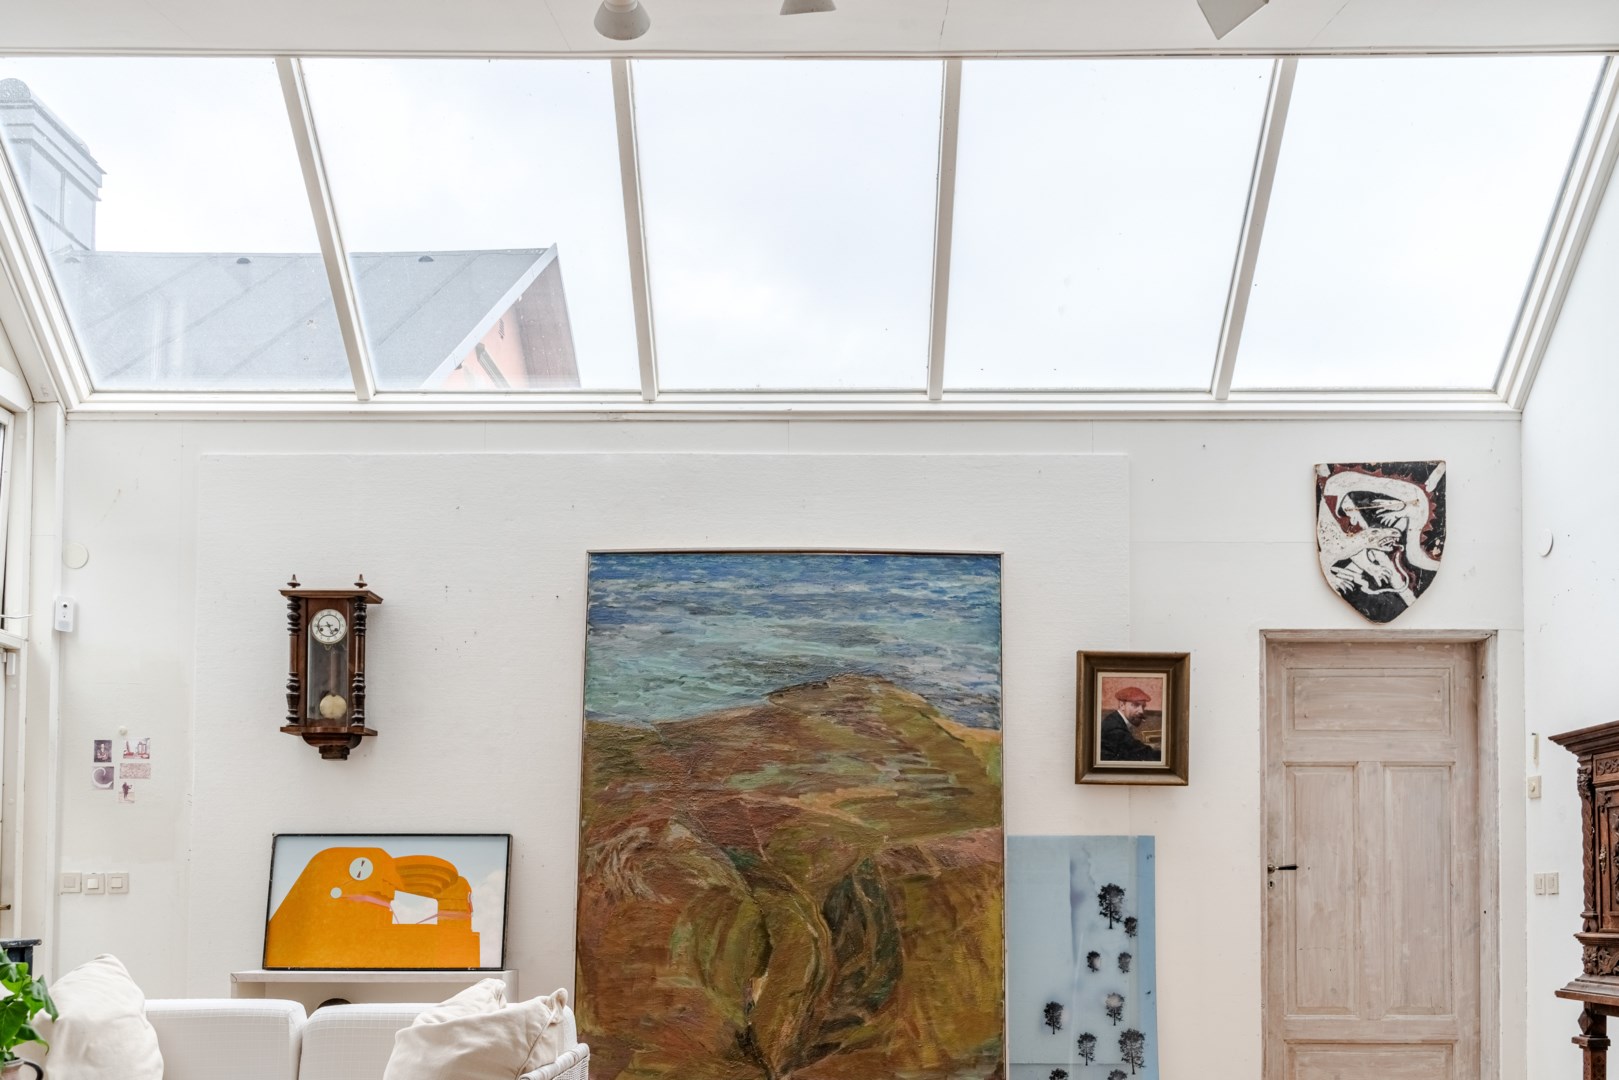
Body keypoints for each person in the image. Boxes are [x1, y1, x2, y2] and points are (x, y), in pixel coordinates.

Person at [1099, 685, 1159, 762]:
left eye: (1143, 706)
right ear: (1122, 705)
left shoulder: (1115, 719)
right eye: (1136, 705)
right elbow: (1141, 751)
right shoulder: (1115, 729)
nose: (1141, 711)